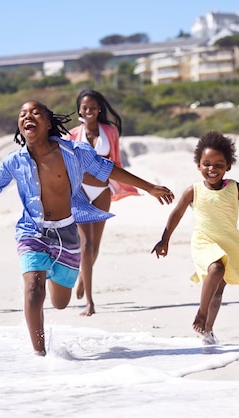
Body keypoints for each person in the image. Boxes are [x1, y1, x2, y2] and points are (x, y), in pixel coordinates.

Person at [0, 100, 174, 355]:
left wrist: (149, 187)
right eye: (23, 114)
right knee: (32, 288)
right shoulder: (14, 161)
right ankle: (40, 354)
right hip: (32, 231)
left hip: (67, 233)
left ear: (48, 122)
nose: (28, 116)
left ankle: (49, 276)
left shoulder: (74, 152)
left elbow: (108, 170)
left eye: (35, 112)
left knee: (60, 303)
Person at [151, 131, 239, 345]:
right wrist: (164, 239)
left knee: (218, 292)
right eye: (207, 164)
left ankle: (208, 331)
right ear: (199, 165)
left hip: (229, 242)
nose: (212, 169)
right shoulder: (193, 190)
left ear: (228, 166)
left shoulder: (234, 188)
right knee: (216, 269)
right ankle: (201, 314)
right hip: (203, 242)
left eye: (219, 165)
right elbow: (176, 213)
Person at [67, 89, 140, 316]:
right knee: (85, 245)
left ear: (99, 109)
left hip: (102, 190)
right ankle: (90, 302)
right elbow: (69, 166)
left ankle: (83, 275)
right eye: (84, 107)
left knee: (95, 246)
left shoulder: (110, 132)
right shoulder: (71, 135)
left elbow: (115, 161)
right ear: (79, 109)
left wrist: (122, 183)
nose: (88, 111)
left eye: (92, 107)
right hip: (79, 192)